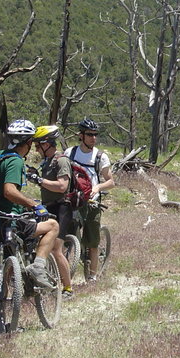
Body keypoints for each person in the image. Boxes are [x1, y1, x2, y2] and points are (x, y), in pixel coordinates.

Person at [0, 119, 59, 290]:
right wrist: (33, 205)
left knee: (5, 269)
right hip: (11, 221)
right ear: (27, 142)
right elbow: (9, 191)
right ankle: (38, 267)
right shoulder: (16, 161)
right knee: (53, 226)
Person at [64, 118, 115, 281]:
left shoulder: (101, 156)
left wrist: (97, 188)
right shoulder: (70, 153)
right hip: (74, 200)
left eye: (95, 134)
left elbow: (110, 181)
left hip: (92, 202)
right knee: (66, 238)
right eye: (89, 134)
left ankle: (92, 278)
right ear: (81, 135)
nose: (93, 138)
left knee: (92, 242)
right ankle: (65, 275)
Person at [27, 124, 75, 299]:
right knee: (41, 245)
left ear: (47, 143)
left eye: (38, 145)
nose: (36, 149)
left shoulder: (61, 160)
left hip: (62, 206)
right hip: (48, 205)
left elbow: (62, 186)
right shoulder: (47, 161)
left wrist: (39, 180)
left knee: (55, 249)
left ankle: (68, 288)